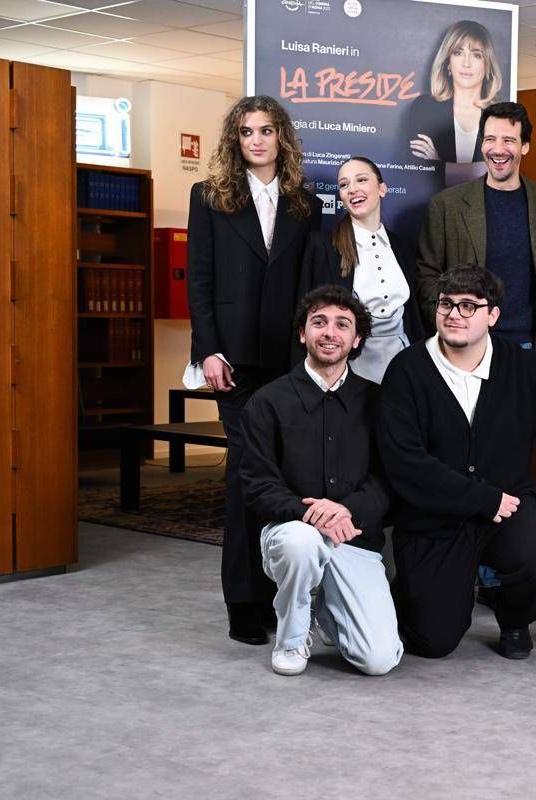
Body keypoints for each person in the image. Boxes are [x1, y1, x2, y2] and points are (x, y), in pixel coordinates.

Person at [378, 265, 536, 660]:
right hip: (435, 518)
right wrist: (482, 499)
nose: (455, 314)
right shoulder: (407, 370)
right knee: (433, 641)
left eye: (469, 306)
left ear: (493, 315)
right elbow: (406, 464)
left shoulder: (520, 365)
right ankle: (418, 592)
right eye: (447, 304)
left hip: (508, 507)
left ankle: (515, 618)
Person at [186, 95, 322, 646]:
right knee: (246, 475)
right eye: (247, 132)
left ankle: (275, 596)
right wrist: (208, 351)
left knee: (285, 476)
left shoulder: (305, 204)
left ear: (281, 137)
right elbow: (200, 280)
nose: (257, 140)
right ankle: (242, 602)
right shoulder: (209, 197)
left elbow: (310, 286)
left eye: (267, 130)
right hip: (234, 363)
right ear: (235, 139)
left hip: (288, 362)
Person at [240, 286, 402, 677]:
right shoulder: (267, 401)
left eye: (342, 324)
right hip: (290, 534)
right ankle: (292, 638)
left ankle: (327, 609)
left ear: (357, 339)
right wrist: (312, 515)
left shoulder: (379, 402)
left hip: (353, 538)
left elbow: (389, 480)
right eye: (319, 322)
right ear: (303, 333)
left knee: (378, 660)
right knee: (302, 542)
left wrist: (346, 509)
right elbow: (258, 484)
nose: (330, 332)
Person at [416, 102, 536, 349]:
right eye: (490, 139)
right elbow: (427, 274)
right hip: (466, 345)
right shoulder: (446, 205)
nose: (497, 149)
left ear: (525, 146)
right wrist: (448, 326)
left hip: (528, 346)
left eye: (508, 140)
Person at [302, 157, 424, 384]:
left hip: (406, 367)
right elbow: (306, 317)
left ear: (382, 189)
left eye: (361, 180)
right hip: (349, 371)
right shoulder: (322, 247)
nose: (352, 189)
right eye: (344, 184)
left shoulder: (403, 247)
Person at [407, 20, 502, 166]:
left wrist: (440, 163)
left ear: (487, 66)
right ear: (448, 63)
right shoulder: (425, 109)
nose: (466, 63)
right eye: (458, 53)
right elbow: (415, 168)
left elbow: (499, 173)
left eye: (476, 55)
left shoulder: (500, 118)